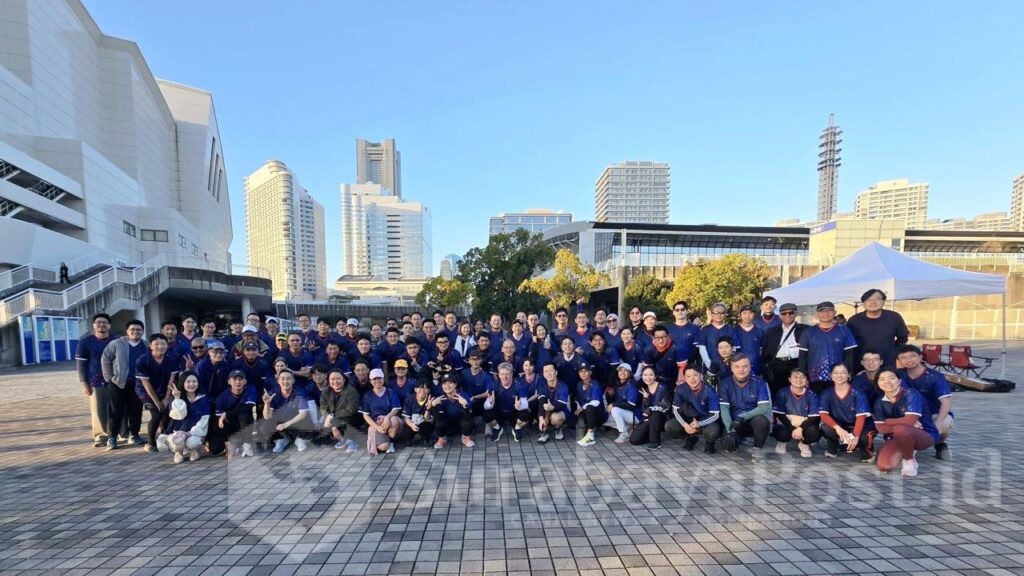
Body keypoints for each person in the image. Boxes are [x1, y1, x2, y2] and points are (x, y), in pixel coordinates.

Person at [873, 366, 939, 477]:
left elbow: (910, 420)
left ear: (899, 381)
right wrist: (905, 424)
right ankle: (903, 448)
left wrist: (888, 421)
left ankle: (909, 461)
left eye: (891, 378)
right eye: (882, 379)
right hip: (895, 437)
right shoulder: (879, 401)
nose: (887, 382)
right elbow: (881, 428)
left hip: (924, 434)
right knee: (884, 466)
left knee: (901, 429)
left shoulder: (911, 394)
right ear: (878, 383)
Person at [896, 344, 954, 460]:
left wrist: (938, 422)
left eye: (912, 356)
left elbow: (946, 402)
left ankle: (940, 443)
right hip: (909, 413)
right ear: (899, 360)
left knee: (944, 424)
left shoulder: (935, 376)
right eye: (903, 357)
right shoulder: (898, 375)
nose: (908, 360)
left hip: (933, 413)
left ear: (921, 357)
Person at [101, 319, 148, 449]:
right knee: (115, 411)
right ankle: (112, 437)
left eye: (139, 329)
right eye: (132, 329)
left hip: (138, 384)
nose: (135, 332)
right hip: (118, 383)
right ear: (127, 331)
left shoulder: (145, 345)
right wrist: (109, 378)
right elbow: (106, 359)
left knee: (136, 410)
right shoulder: (116, 343)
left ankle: (134, 434)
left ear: (142, 331)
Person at [718, 354, 772, 462]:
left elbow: (764, 407)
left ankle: (757, 449)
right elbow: (724, 409)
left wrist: (743, 416)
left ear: (750, 367)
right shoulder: (725, 383)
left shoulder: (759, 382)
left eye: (745, 366)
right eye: (737, 366)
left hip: (752, 421)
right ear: (732, 368)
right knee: (729, 445)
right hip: (735, 423)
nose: (741, 370)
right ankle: (738, 438)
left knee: (762, 421)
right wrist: (730, 430)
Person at [818, 363, 875, 462]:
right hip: (842, 425)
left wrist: (856, 436)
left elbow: (861, 417)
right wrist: (838, 429)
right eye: (836, 373)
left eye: (843, 373)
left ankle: (867, 449)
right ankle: (834, 445)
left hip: (861, 425)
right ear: (831, 375)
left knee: (863, 439)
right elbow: (823, 415)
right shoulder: (827, 392)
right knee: (826, 426)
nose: (839, 375)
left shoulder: (858, 392)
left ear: (849, 374)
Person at [798, 301, 857, 394]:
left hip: (838, 377)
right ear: (817, 314)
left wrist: (849, 374)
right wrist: (803, 377)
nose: (826, 313)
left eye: (829, 310)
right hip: (814, 377)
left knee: (837, 402)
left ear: (835, 312)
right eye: (822, 311)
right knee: (817, 402)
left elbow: (849, 356)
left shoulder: (844, 331)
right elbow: (802, 357)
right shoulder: (808, 332)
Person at [135, 333, 181, 453]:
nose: (160, 346)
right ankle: (150, 442)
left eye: (163, 343)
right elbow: (145, 383)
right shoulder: (142, 360)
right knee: (157, 413)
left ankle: (165, 439)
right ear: (150, 346)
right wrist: (156, 401)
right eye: (157, 344)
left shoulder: (172, 359)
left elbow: (171, 380)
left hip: (165, 389)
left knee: (166, 414)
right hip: (146, 392)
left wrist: (166, 398)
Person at [76, 313, 115, 447]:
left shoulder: (116, 340)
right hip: (95, 381)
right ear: (93, 325)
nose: (101, 325)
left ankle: (118, 433)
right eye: (98, 322)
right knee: (99, 409)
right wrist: (84, 383)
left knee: (117, 407)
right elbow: (81, 365)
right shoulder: (85, 342)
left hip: (115, 380)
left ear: (109, 325)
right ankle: (101, 435)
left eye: (104, 322)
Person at [846, 289, 909, 368]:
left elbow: (903, 337)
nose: (873, 302)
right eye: (869, 300)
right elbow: (847, 342)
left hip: (887, 362)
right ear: (863, 304)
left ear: (883, 302)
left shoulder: (894, 317)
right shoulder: (854, 320)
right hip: (861, 363)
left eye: (878, 299)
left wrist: (893, 352)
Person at [157, 371, 211, 463]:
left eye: (194, 381)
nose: (191, 384)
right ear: (183, 383)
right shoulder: (176, 398)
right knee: (177, 441)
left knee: (193, 443)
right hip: (178, 430)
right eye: (188, 382)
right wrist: (177, 399)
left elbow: (204, 420)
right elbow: (179, 416)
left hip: (195, 432)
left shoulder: (203, 398)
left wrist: (190, 433)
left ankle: (196, 451)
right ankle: (178, 452)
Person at [771, 368, 822, 458]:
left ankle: (804, 444)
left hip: (804, 423)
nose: (799, 380)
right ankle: (782, 442)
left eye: (802, 377)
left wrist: (800, 428)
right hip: (787, 422)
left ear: (807, 380)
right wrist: (793, 429)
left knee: (815, 433)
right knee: (781, 433)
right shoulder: (782, 392)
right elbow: (780, 414)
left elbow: (813, 417)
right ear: (789, 379)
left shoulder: (812, 395)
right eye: (795, 377)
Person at [670, 366, 722, 453]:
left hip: (705, 419)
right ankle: (690, 437)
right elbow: (675, 410)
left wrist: (699, 423)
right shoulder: (680, 389)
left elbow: (715, 414)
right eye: (688, 376)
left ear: (701, 376)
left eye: (695, 375)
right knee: (670, 426)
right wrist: (685, 425)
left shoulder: (709, 390)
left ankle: (710, 443)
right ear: (685, 378)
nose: (692, 379)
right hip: (689, 418)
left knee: (712, 432)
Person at [761, 303, 808, 396]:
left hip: (797, 365)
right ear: (779, 315)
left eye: (790, 313)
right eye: (784, 313)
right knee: (777, 394)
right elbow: (765, 352)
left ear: (796, 313)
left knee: (797, 394)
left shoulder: (805, 330)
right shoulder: (771, 331)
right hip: (777, 366)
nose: (787, 315)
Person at [210, 369, 258, 458]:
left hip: (242, 424)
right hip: (228, 427)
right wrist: (228, 444)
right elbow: (220, 422)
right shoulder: (222, 397)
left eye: (240, 379)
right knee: (214, 449)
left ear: (245, 381)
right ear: (229, 381)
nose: (237, 382)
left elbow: (249, 407)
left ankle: (247, 445)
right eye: (234, 379)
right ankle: (233, 444)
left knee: (244, 415)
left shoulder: (250, 389)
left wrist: (227, 413)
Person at [260, 370, 311, 453]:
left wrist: (286, 424)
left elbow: (303, 414)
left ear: (293, 380)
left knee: (307, 420)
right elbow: (267, 416)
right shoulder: (273, 393)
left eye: (288, 379)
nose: (285, 381)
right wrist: (267, 404)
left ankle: (299, 439)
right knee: (265, 427)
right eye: (282, 379)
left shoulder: (300, 392)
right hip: (280, 420)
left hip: (295, 421)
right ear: (278, 381)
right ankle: (281, 439)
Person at [359, 368, 402, 454]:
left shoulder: (390, 392)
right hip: (377, 424)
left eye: (379, 378)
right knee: (383, 447)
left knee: (394, 420)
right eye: (374, 379)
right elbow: (366, 415)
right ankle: (385, 442)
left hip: (390, 421)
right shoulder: (368, 395)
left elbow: (396, 409)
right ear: (370, 381)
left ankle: (392, 441)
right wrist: (377, 427)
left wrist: (387, 417)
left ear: (383, 378)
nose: (377, 381)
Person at [629, 366, 671, 449]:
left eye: (651, 375)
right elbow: (644, 410)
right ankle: (653, 434)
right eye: (645, 375)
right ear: (642, 376)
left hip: (662, 418)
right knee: (634, 440)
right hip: (650, 418)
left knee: (656, 413)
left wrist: (650, 411)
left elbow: (665, 406)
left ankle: (655, 442)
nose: (648, 378)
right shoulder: (645, 390)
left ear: (655, 376)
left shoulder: (662, 387)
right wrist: (646, 398)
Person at [320, 368, 360, 452]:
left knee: (347, 420)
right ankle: (342, 438)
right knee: (322, 422)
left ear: (344, 379)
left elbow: (350, 410)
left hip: (350, 418)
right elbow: (323, 408)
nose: (335, 381)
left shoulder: (351, 391)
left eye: (338, 378)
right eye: (332, 379)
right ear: (328, 380)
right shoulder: (326, 391)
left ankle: (352, 440)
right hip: (334, 418)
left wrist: (332, 416)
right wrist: (333, 426)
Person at [431, 375, 475, 449]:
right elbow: (437, 417)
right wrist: (434, 405)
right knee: (439, 422)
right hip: (447, 425)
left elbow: (469, 416)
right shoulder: (439, 397)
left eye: (450, 383)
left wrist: (465, 405)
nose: (447, 386)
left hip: (461, 425)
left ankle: (466, 437)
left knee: (468, 421)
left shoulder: (464, 395)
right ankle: (442, 438)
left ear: (455, 384)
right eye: (444, 383)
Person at [697, 302, 739, 375]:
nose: (719, 315)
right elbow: (702, 349)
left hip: (728, 369)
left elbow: (734, 348)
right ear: (711, 314)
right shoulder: (705, 330)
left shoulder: (731, 329)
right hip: (710, 369)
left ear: (725, 314)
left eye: (722, 313)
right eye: (716, 313)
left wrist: (729, 362)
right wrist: (710, 365)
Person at [535, 363, 571, 443]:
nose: (549, 373)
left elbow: (561, 404)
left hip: (560, 411)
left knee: (555, 418)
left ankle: (558, 429)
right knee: (544, 410)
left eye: (551, 370)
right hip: (547, 409)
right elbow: (542, 401)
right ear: (543, 374)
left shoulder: (563, 386)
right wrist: (541, 418)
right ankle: (544, 432)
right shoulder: (542, 384)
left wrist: (553, 407)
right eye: (546, 371)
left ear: (556, 372)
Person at [486, 362, 521, 442]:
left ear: (511, 374)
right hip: (499, 413)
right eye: (502, 374)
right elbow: (486, 405)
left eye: (507, 374)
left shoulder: (519, 384)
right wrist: (489, 403)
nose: (504, 377)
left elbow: (525, 402)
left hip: (514, 412)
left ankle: (517, 428)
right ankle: (497, 428)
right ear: (498, 375)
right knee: (486, 414)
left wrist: (520, 405)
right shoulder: (494, 385)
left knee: (525, 413)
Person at [574, 361, 607, 447]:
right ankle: (590, 429)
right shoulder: (579, 385)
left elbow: (596, 402)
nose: (583, 373)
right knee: (579, 429)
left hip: (599, 415)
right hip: (587, 413)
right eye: (581, 371)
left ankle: (590, 436)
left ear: (590, 372)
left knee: (589, 407)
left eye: (586, 371)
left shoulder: (595, 384)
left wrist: (582, 408)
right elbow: (578, 400)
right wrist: (579, 409)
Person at [609, 363, 641, 443]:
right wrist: (611, 395)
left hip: (635, 415)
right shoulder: (618, 384)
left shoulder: (631, 385)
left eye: (626, 371)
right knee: (606, 416)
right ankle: (627, 427)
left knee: (614, 410)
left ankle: (624, 433)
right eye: (620, 370)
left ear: (630, 374)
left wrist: (613, 404)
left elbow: (631, 405)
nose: (622, 372)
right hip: (626, 413)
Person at [401, 380, 435, 447]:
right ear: (415, 389)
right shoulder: (409, 399)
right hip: (413, 422)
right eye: (419, 388)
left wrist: (428, 409)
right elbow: (406, 417)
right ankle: (411, 439)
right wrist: (411, 425)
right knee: (406, 429)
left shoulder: (431, 399)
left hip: (425, 423)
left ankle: (427, 440)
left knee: (425, 426)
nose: (422, 390)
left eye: (425, 388)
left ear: (428, 390)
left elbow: (427, 419)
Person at [666, 301, 699, 367]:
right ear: (673, 312)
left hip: (690, 367)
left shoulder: (695, 328)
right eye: (677, 310)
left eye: (682, 309)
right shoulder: (667, 329)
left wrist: (688, 362)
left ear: (687, 311)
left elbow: (697, 349)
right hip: (670, 366)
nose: (680, 312)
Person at [735, 305, 766, 376]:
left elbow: (762, 350)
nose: (747, 316)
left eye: (750, 313)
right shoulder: (734, 331)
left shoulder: (760, 331)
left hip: (756, 367)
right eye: (744, 313)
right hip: (739, 368)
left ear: (754, 314)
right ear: (740, 315)